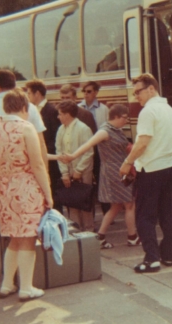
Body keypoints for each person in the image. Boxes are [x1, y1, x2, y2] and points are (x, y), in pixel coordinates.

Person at [0, 89, 53, 301]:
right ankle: (26, 288)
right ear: (24, 107)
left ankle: (7, 285)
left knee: (14, 238)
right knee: (28, 238)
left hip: (4, 188)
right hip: (26, 187)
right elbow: (38, 164)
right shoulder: (25, 128)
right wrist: (48, 194)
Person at [119, 73, 172, 273]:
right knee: (167, 213)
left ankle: (151, 258)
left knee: (144, 216)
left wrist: (128, 162)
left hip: (151, 169)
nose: (136, 96)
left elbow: (142, 142)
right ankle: (168, 255)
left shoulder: (148, 112)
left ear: (151, 89)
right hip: (170, 166)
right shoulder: (169, 109)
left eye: (138, 92)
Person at [60, 104, 141, 248]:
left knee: (116, 206)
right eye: (125, 117)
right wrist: (73, 156)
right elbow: (88, 144)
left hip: (118, 170)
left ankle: (101, 237)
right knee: (129, 204)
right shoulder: (105, 131)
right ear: (116, 116)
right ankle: (132, 237)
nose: (126, 121)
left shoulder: (115, 130)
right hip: (114, 171)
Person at [0, 69, 48, 193]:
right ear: (14, 84)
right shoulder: (31, 107)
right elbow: (40, 142)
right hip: (29, 169)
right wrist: (45, 173)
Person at [61, 83, 111, 216]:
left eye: (68, 97)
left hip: (89, 155)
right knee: (75, 194)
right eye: (63, 98)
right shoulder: (61, 114)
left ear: (74, 98)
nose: (65, 100)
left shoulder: (84, 114)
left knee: (96, 183)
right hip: (71, 159)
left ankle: (103, 214)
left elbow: (93, 136)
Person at [55, 100, 95, 231]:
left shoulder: (83, 128)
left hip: (83, 172)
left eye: (60, 114)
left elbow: (88, 152)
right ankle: (75, 230)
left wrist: (79, 170)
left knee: (83, 202)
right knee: (72, 202)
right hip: (69, 171)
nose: (58, 117)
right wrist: (65, 173)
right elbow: (59, 152)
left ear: (68, 114)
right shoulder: (61, 129)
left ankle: (89, 230)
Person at [25, 79, 62, 213]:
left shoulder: (50, 111)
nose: (27, 97)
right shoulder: (34, 110)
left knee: (52, 191)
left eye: (29, 93)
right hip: (40, 156)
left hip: (48, 158)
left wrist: (44, 153)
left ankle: (55, 219)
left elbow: (55, 136)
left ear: (38, 94)